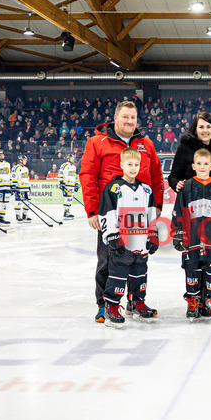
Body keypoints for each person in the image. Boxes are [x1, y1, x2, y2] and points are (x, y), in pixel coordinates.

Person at [80, 100, 165, 324]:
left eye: (133, 118)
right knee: (109, 259)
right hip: (111, 214)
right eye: (125, 117)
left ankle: (135, 301)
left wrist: (156, 208)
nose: (129, 121)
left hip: (140, 214)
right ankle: (105, 304)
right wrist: (92, 211)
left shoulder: (146, 144)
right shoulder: (97, 142)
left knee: (138, 259)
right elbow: (88, 175)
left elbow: (156, 175)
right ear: (115, 118)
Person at [98, 148, 159, 328]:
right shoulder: (114, 188)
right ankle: (112, 305)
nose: (133, 168)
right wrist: (112, 236)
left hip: (140, 241)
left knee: (140, 274)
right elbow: (107, 213)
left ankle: (136, 302)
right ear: (121, 165)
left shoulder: (146, 190)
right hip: (122, 241)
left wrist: (152, 235)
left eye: (136, 164)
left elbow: (151, 214)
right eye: (129, 164)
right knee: (118, 274)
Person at [172, 148, 211, 320]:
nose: (202, 167)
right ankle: (194, 301)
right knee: (192, 270)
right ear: (193, 166)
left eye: (206, 164)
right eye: (199, 163)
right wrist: (179, 233)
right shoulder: (187, 187)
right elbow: (179, 212)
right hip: (192, 238)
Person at [168, 111, 211, 193]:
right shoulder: (185, 147)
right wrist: (177, 184)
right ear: (195, 130)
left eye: (208, 127)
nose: (205, 130)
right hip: (191, 199)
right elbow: (173, 177)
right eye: (201, 127)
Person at [12, 154, 32, 223]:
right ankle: (18, 215)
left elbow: (27, 178)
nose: (25, 161)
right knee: (18, 202)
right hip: (19, 188)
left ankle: (25, 215)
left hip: (26, 188)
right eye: (24, 160)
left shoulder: (26, 169)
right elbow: (14, 177)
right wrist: (14, 186)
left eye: (26, 160)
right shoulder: (16, 168)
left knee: (27, 202)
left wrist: (29, 187)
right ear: (20, 160)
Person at [59, 153, 79, 220]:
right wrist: (61, 182)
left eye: (73, 158)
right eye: (72, 158)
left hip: (72, 185)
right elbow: (61, 173)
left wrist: (75, 184)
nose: (73, 159)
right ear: (68, 159)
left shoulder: (73, 167)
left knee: (70, 198)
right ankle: (66, 212)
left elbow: (74, 176)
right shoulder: (65, 165)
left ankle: (68, 211)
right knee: (67, 198)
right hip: (67, 185)